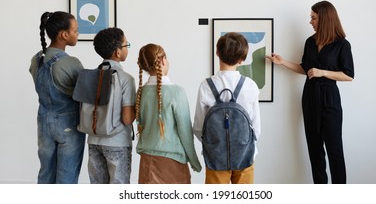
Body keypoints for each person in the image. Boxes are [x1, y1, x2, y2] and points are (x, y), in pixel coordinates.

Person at [266, 0, 354, 184]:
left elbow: (349, 75)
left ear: (325, 19)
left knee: (334, 151)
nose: (310, 21)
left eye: (313, 18)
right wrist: (283, 62)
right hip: (310, 98)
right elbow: (305, 68)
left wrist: (323, 72)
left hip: (330, 101)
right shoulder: (310, 42)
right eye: (311, 17)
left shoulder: (342, 44)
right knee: (315, 151)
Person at [193, 32, 261, 184]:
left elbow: (199, 127)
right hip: (245, 155)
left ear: (217, 52)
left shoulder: (206, 85)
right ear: (242, 59)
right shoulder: (250, 85)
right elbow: (256, 128)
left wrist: (214, 145)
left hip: (215, 158)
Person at [29, 11, 85, 184]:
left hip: (44, 122)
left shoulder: (36, 59)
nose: (78, 34)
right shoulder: (71, 63)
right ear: (64, 35)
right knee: (66, 179)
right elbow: (83, 94)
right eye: (76, 30)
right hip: (68, 125)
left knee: (45, 175)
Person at [135, 43, 202, 184]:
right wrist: (194, 161)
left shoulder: (141, 93)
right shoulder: (177, 92)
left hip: (146, 160)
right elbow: (185, 132)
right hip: (172, 162)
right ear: (163, 60)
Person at [84, 27, 136, 184]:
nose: (127, 48)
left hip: (93, 140)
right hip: (117, 142)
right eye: (126, 45)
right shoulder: (125, 78)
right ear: (118, 52)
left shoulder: (89, 76)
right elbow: (127, 119)